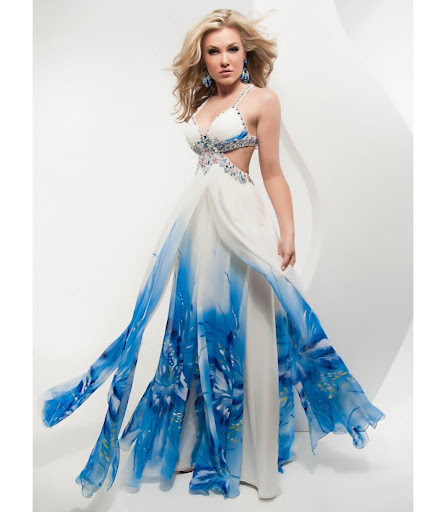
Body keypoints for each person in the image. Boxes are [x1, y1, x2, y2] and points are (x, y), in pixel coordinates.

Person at [41, 8, 385, 501]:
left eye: (232, 49)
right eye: (214, 51)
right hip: (197, 228)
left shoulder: (262, 100)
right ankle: (191, 447)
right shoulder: (203, 104)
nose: (224, 59)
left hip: (242, 221)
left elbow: (272, 172)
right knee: (193, 331)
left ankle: (254, 456)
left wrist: (288, 230)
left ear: (246, 54)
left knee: (250, 327)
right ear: (202, 59)